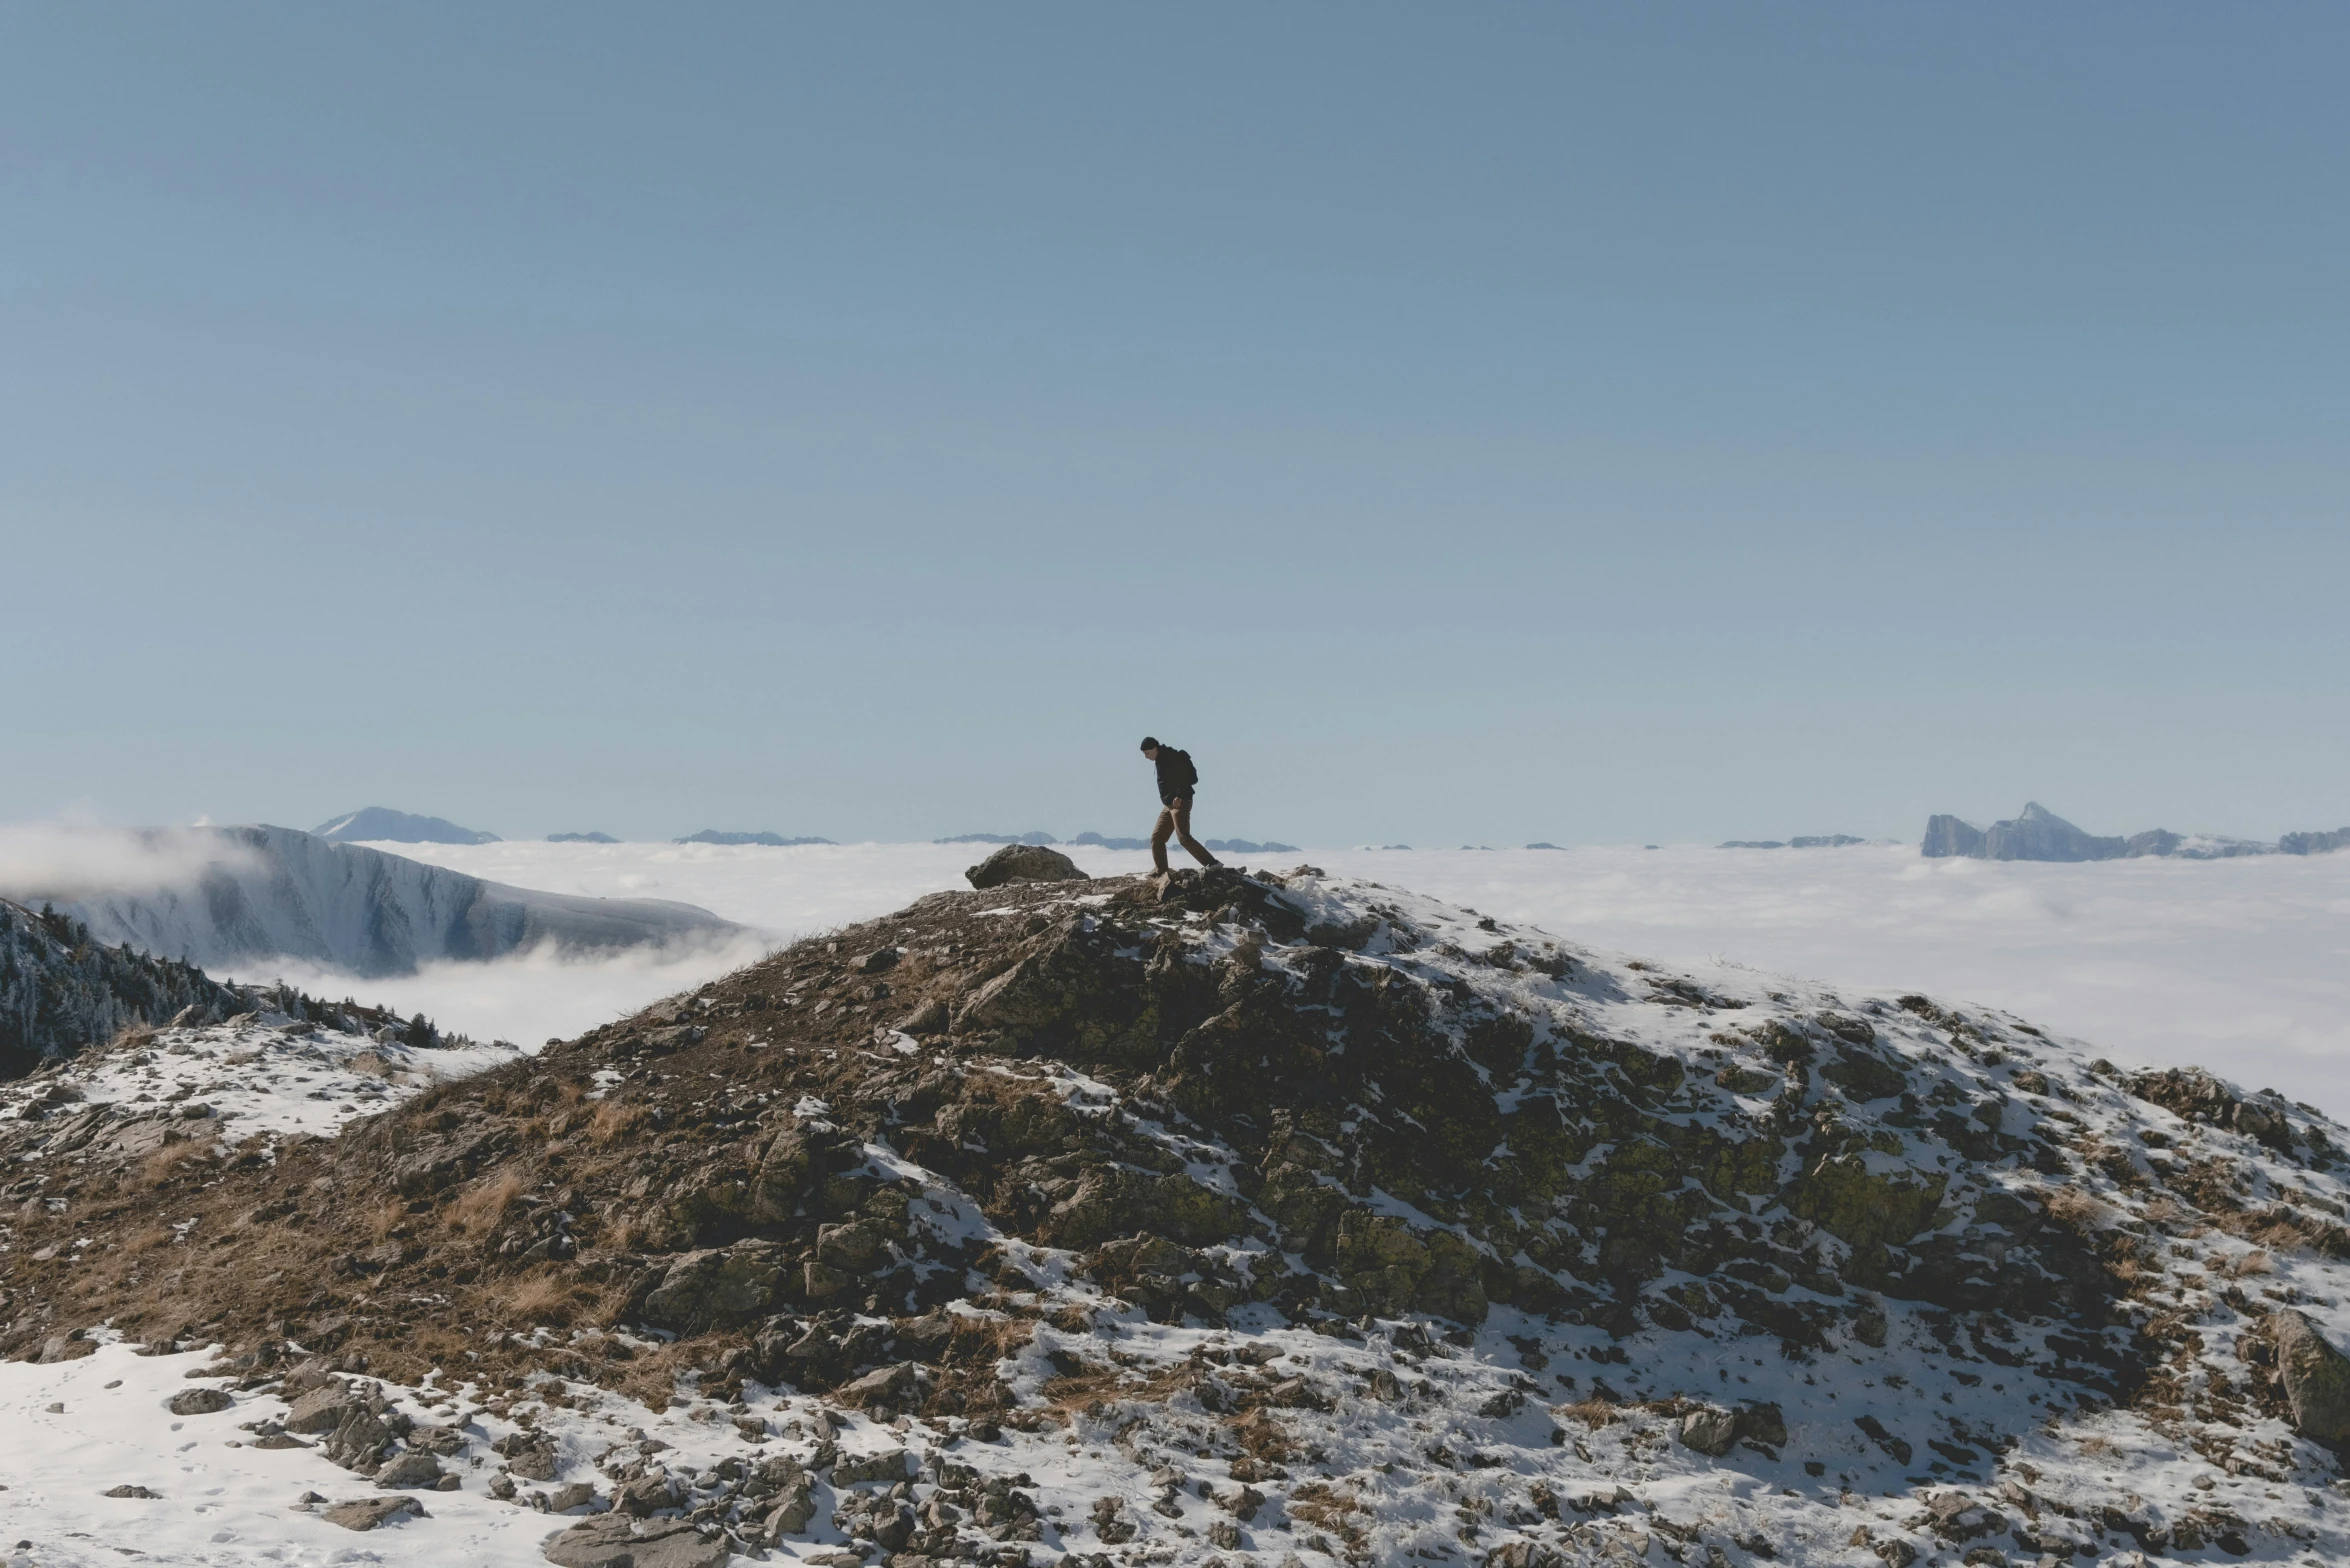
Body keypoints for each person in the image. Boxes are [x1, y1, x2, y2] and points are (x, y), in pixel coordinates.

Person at [1140, 736, 1220, 876]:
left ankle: (1213, 864)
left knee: (1184, 837)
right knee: (1157, 838)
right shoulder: (1160, 759)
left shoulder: (1171, 757)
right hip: (1170, 804)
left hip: (1180, 802)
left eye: (1147, 753)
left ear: (1154, 748)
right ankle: (1161, 871)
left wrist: (1180, 795)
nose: (1146, 757)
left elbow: (1186, 778)